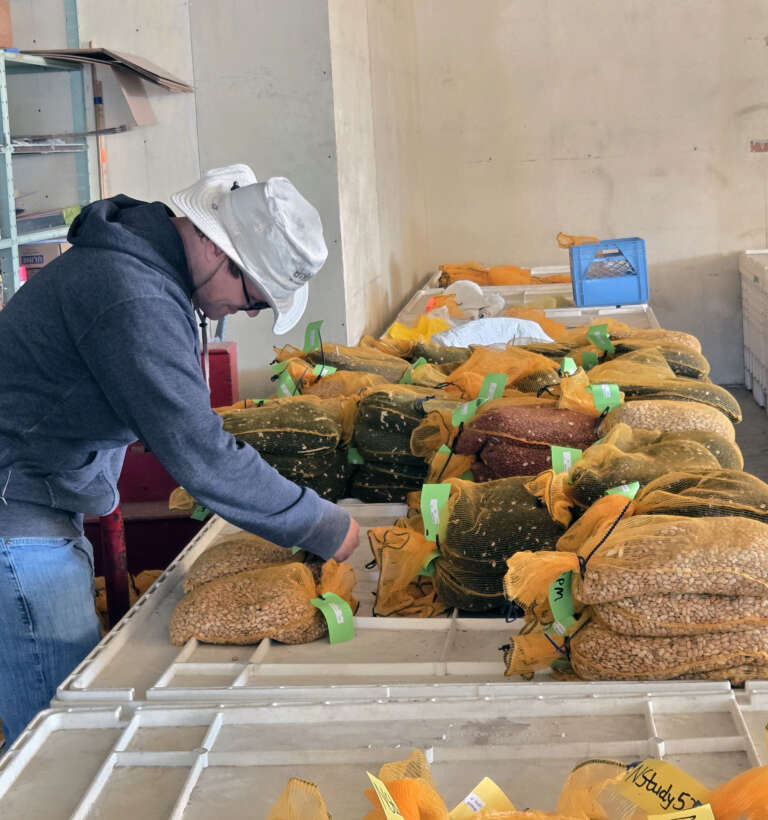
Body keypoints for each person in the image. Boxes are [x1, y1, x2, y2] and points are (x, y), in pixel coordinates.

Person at [0, 164, 360, 748]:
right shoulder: (132, 292)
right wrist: (322, 522)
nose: (240, 315)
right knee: (57, 740)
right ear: (220, 252)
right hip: (15, 517)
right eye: (252, 301)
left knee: (62, 717)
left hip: (36, 497)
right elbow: (199, 450)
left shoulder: (143, 266)